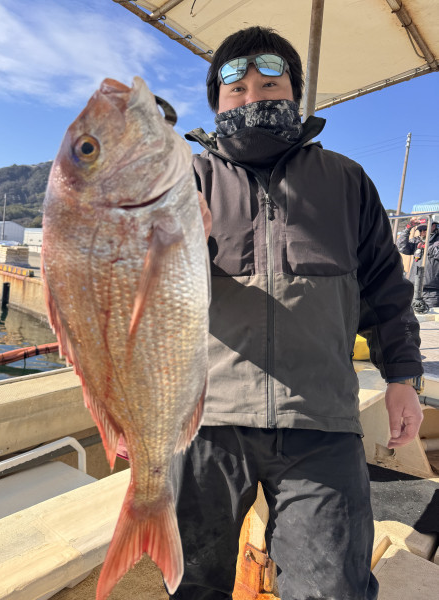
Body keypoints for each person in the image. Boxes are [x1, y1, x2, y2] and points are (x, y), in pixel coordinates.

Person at [169, 26, 424, 600]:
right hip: (205, 420)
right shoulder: (185, 180)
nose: (253, 97)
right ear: (215, 102)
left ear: (295, 94)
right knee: (191, 583)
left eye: (270, 85)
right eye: (236, 90)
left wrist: (403, 378)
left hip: (321, 419)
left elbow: (385, 288)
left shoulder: (346, 180)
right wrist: (175, 245)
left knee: (333, 587)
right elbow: (143, 297)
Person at [397, 217, 439, 308]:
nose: (422, 232)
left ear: (433, 226)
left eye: (425, 229)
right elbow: (401, 247)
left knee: (431, 315)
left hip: (432, 292)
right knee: (412, 315)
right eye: (420, 230)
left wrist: (427, 247)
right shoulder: (416, 240)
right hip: (414, 289)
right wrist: (408, 228)